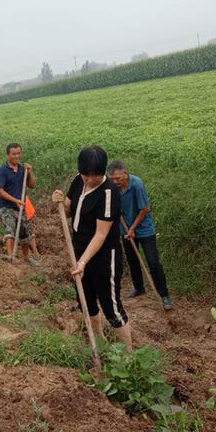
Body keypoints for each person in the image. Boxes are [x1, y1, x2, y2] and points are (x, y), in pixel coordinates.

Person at [52, 145, 133, 347]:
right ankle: (99, 342)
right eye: (85, 175)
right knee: (85, 300)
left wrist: (83, 262)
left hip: (104, 255)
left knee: (110, 306)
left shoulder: (109, 193)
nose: (89, 180)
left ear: (103, 171)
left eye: (94, 176)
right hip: (79, 250)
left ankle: (129, 358)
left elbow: (101, 234)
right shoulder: (79, 181)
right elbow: (71, 211)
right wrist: (61, 202)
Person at [109, 160, 172, 311]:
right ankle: (139, 287)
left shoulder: (136, 185)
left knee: (153, 262)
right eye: (113, 179)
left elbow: (145, 209)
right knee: (132, 259)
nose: (116, 181)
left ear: (126, 173)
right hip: (125, 229)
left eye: (118, 178)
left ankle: (164, 295)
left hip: (144, 229)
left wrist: (133, 228)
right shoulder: (113, 188)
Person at [0, 142, 40, 266]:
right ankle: (11, 257)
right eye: (14, 154)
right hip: (6, 206)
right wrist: (15, 201)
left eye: (19, 153)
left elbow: (32, 185)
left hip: (21, 206)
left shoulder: (22, 170)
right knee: (10, 229)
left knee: (25, 233)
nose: (17, 156)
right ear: (8, 155)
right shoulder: (2, 171)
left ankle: (27, 257)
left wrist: (30, 172)